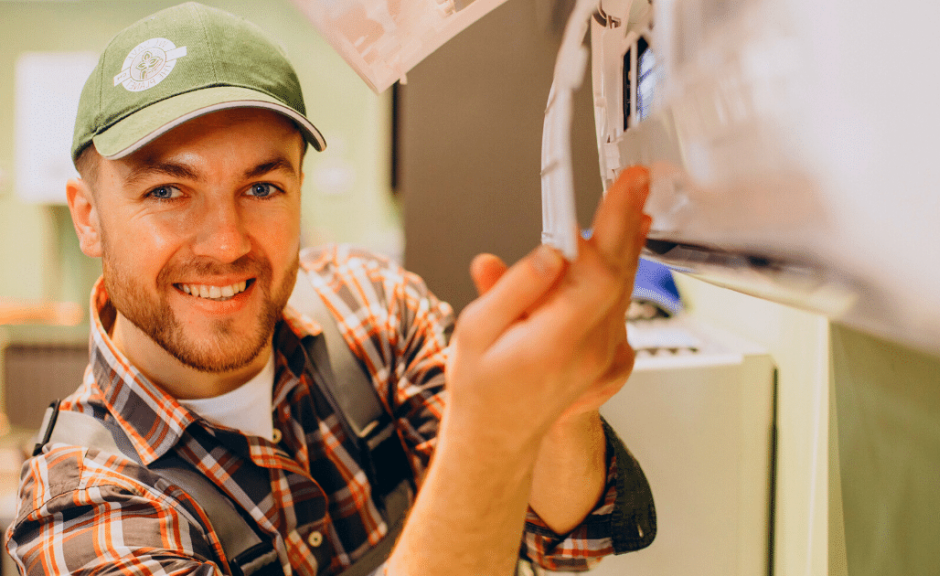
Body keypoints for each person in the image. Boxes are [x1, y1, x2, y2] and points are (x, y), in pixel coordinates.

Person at [4, 3, 655, 575]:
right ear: (88, 216)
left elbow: (566, 536)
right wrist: (490, 435)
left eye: (262, 188)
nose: (226, 243)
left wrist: (560, 410)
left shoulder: (372, 309)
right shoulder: (82, 510)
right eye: (167, 192)